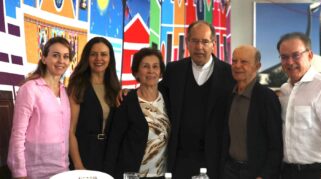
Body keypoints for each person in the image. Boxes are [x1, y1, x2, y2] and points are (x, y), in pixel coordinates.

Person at [159, 20, 235, 179]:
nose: (199, 47)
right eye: (194, 41)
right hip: (180, 160)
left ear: (213, 44)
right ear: (187, 42)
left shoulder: (229, 74)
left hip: (214, 161)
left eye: (205, 42)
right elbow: (155, 95)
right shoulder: (173, 70)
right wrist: (128, 92)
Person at [277, 32, 321, 179]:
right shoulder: (284, 91)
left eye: (296, 55)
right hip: (288, 172)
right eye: (284, 57)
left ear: (310, 55)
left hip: (318, 172)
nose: (290, 62)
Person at [7, 37, 72, 179]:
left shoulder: (65, 92)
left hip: (63, 171)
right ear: (43, 58)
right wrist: (19, 173)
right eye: (55, 55)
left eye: (66, 56)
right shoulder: (29, 89)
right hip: (34, 173)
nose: (61, 61)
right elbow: (18, 135)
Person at [104, 48, 170, 179]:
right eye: (145, 66)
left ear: (161, 72)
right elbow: (113, 144)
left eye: (155, 66)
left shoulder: (169, 99)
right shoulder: (125, 101)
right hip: (132, 175)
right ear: (136, 72)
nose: (151, 71)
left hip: (162, 175)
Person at [222, 45, 283, 179]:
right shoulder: (228, 96)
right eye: (234, 61)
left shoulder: (267, 98)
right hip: (229, 171)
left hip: (255, 173)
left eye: (244, 62)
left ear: (257, 66)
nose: (237, 66)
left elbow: (276, 145)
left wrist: (264, 176)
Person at [67, 37, 120, 171]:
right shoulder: (78, 86)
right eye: (93, 54)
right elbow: (70, 131)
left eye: (103, 54)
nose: (98, 58)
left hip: (109, 155)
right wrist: (78, 165)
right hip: (85, 154)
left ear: (110, 58)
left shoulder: (115, 88)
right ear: (87, 58)